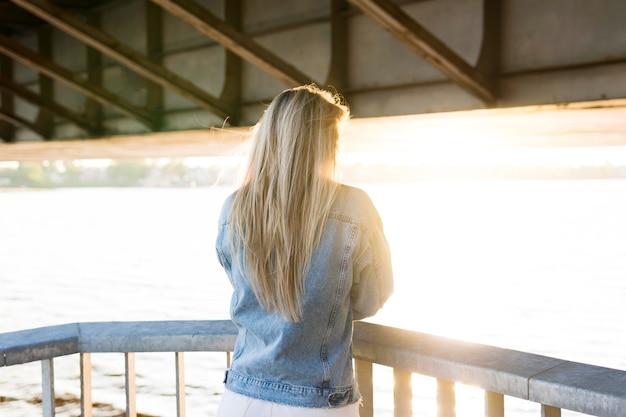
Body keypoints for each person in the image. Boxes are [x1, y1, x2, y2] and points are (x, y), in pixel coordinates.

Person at [215, 84, 393, 416]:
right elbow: (373, 297)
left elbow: (243, 288)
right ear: (327, 143)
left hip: (241, 398)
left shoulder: (235, 208)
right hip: (316, 402)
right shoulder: (353, 207)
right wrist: (323, 308)